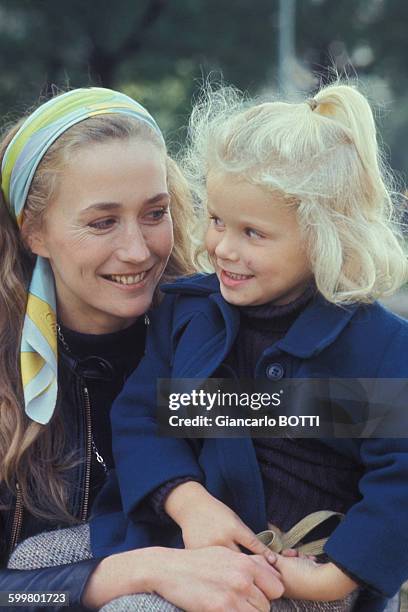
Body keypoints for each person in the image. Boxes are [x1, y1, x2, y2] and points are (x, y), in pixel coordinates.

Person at [91, 82, 408, 612]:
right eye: (216, 220)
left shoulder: (377, 347)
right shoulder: (189, 313)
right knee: (33, 567)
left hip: (297, 570)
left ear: (324, 235)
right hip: (180, 541)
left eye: (253, 233)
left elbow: (400, 481)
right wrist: (190, 506)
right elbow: (144, 418)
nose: (222, 247)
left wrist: (335, 578)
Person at [0, 86, 285, 612]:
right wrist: (132, 571)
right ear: (33, 230)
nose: (137, 250)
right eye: (102, 222)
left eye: (154, 213)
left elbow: (362, 426)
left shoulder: (220, 330)